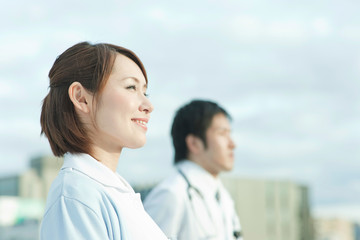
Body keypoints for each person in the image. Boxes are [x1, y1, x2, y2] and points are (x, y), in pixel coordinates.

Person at [40, 41, 168, 239]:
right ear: (81, 98)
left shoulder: (109, 190)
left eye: (145, 92)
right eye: (131, 87)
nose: (148, 105)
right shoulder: (76, 195)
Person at [144, 99, 243, 240]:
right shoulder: (171, 194)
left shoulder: (223, 196)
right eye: (222, 134)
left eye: (229, 134)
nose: (232, 144)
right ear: (194, 143)